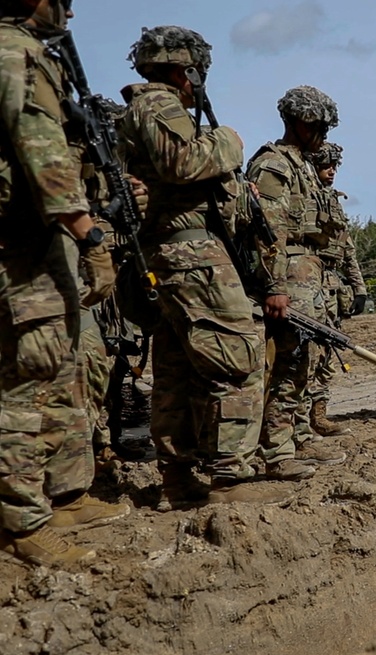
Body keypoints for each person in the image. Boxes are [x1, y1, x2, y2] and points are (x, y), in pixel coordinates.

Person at [119, 25, 307, 510]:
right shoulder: (159, 104)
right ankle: (230, 475)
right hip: (194, 255)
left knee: (178, 368)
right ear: (187, 70)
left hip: (173, 256)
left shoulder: (144, 110)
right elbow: (183, 164)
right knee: (237, 358)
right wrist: (228, 142)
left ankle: (178, 480)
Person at [0, 0, 127, 568]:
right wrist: (90, 235)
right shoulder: (14, 53)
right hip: (19, 246)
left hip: (37, 239)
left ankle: (58, 497)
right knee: (25, 382)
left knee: (57, 369)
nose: (71, 11)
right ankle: (19, 524)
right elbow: (42, 151)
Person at [247, 86, 348, 465]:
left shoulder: (301, 165)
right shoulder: (274, 165)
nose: (324, 135)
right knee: (287, 365)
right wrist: (274, 286)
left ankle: (297, 436)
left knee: (302, 363)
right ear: (299, 124)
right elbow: (269, 232)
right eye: (319, 127)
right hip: (287, 278)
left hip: (306, 277)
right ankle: (276, 448)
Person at [303, 142, 366, 437]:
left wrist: (359, 288)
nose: (331, 171)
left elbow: (348, 250)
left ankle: (320, 414)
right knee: (307, 355)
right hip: (306, 282)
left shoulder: (334, 202)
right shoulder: (303, 198)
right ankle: (298, 421)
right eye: (325, 165)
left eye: (335, 166)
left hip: (331, 288)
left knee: (328, 353)